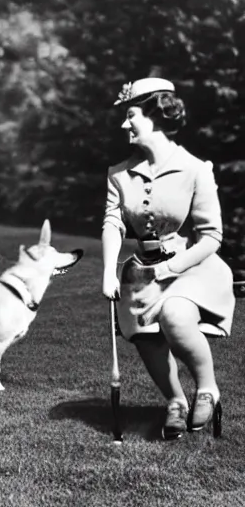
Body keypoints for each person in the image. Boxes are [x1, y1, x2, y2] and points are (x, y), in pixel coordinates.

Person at [101, 78, 235, 440]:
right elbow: (113, 223)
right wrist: (108, 272)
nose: (124, 125)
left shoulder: (195, 169)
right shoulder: (118, 173)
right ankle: (175, 401)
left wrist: (168, 269)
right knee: (146, 337)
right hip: (142, 274)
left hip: (191, 268)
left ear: (155, 117)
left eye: (131, 116)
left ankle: (207, 389)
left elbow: (212, 238)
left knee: (175, 314)